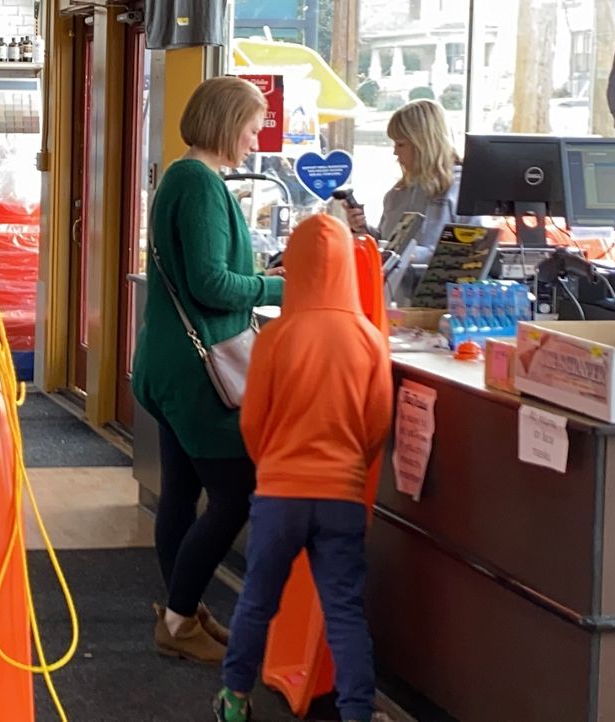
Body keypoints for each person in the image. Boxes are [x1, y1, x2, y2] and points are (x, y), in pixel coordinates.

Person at [212, 213, 393, 722]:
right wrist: (352, 469)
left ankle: (233, 700)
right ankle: (357, 711)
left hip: (279, 494)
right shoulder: (368, 338)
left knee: (257, 602)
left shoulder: (276, 337)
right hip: (341, 496)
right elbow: (378, 422)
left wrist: (271, 464)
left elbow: (253, 421)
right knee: (343, 610)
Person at [132, 75, 285, 665]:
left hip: (168, 365)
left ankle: (182, 608)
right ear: (226, 122)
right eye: (251, 125)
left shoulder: (181, 177)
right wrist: (280, 286)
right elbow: (212, 283)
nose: (254, 138)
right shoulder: (199, 184)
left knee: (181, 494)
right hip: (200, 374)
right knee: (236, 494)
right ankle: (177, 619)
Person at [344, 98, 471, 260]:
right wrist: (362, 229)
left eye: (401, 144)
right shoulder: (396, 194)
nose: (395, 152)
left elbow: (471, 254)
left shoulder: (460, 190)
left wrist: (412, 255)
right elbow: (387, 245)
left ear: (424, 144)